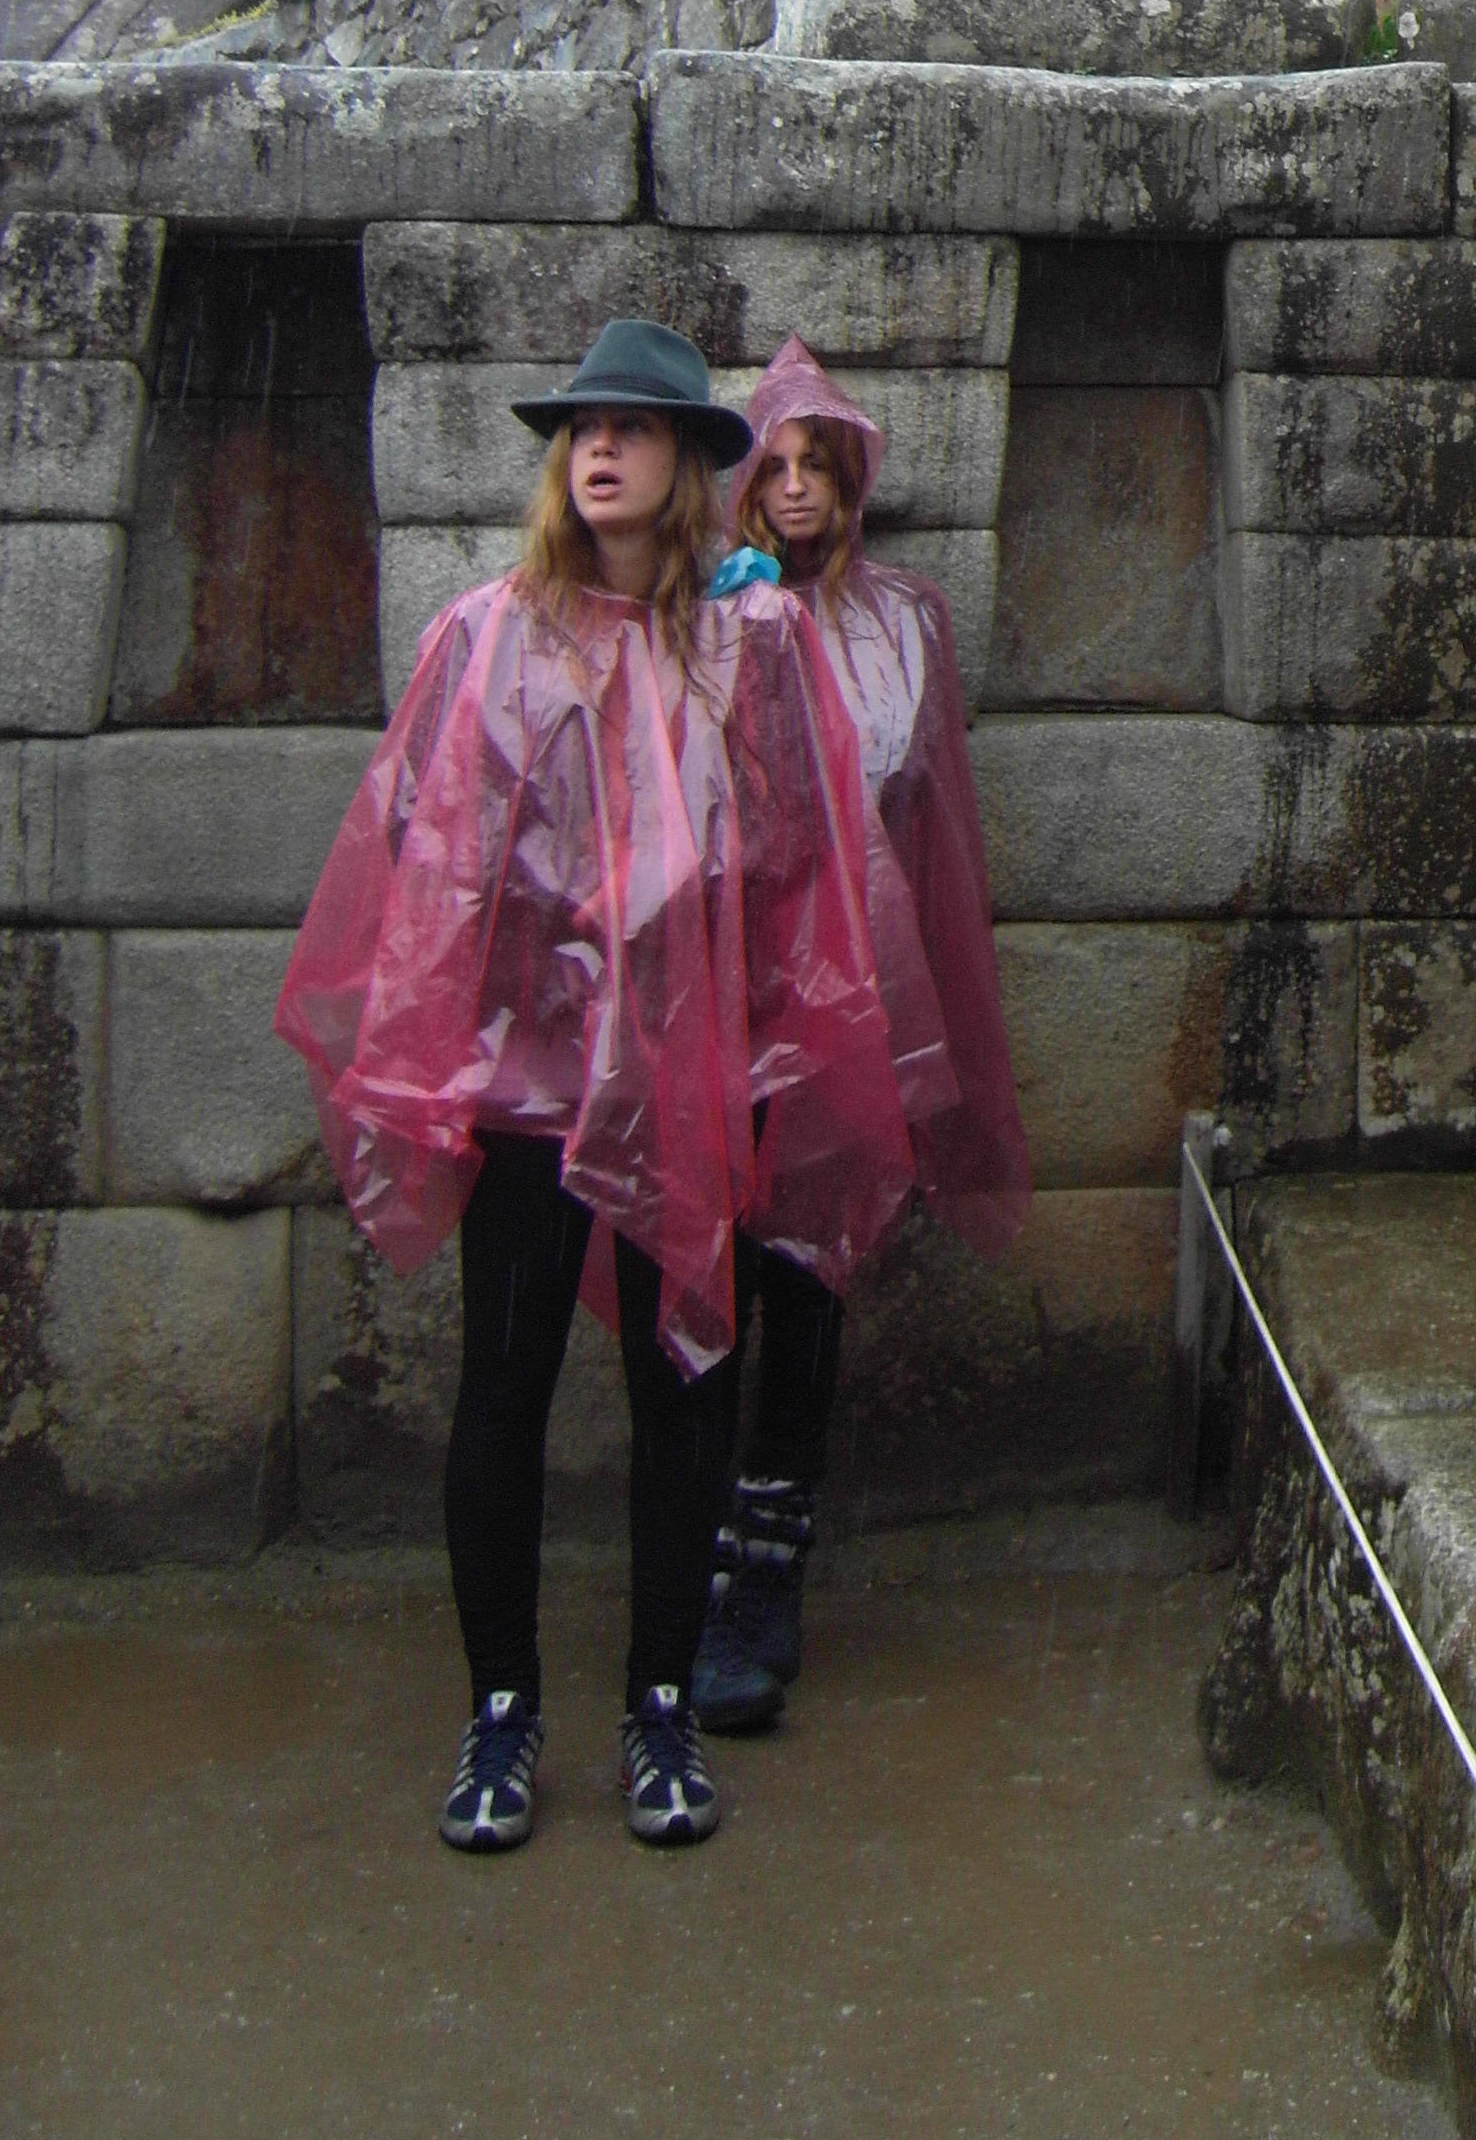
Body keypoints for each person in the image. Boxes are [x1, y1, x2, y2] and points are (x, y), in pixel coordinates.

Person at [276, 321, 924, 1858]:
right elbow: (428, 848)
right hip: (528, 1077)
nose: (599, 448)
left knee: (682, 1379)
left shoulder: (753, 644)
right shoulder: (488, 635)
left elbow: (803, 861)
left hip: (692, 1071)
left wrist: (734, 1009)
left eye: (632, 426)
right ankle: (501, 1711)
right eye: (582, 429)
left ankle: (660, 1704)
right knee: (502, 1385)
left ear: (691, 462)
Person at [692, 337, 1030, 1733]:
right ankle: (691, 1560)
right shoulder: (707, 613)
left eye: (816, 465)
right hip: (724, 997)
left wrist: (924, 1015)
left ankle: (769, 1566)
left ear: (852, 483)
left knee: (809, 1270)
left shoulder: (906, 622)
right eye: (773, 465)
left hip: (849, 1002)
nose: (794, 488)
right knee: (704, 1268)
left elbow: (928, 825)